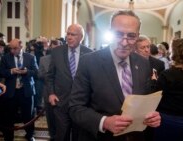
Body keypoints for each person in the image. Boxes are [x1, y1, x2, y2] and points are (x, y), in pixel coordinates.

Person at [68, 10, 161, 141]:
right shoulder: (89, 62)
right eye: (118, 34)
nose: (124, 42)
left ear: (137, 36)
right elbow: (75, 107)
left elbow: (143, 101)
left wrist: (151, 116)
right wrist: (104, 122)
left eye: (131, 36)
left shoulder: (144, 63)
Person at [46, 24, 92, 141]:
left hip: (81, 104)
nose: (69, 37)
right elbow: (50, 75)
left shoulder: (90, 54)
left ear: (81, 37)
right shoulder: (56, 52)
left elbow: (93, 80)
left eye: (73, 34)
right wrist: (51, 93)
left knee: (79, 136)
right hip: (60, 102)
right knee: (62, 136)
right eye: (68, 34)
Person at [153, 38, 183, 141]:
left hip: (166, 119)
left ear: (175, 52)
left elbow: (155, 98)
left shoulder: (167, 74)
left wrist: (154, 81)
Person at [0, 39, 38, 141]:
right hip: (11, 91)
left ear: (21, 46)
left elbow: (36, 72)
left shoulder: (31, 57)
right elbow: (1, 72)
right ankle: (8, 137)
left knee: (28, 115)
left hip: (26, 91)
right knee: (9, 116)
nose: (12, 51)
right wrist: (11, 71)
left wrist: (26, 72)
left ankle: (29, 135)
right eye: (10, 48)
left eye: (15, 48)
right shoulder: (5, 58)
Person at [38, 39, 62, 141]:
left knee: (62, 118)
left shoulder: (64, 59)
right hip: (48, 91)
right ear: (51, 47)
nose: (56, 48)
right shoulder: (44, 59)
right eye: (54, 46)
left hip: (62, 92)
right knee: (50, 117)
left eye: (58, 47)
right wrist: (50, 74)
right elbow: (39, 74)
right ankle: (52, 136)